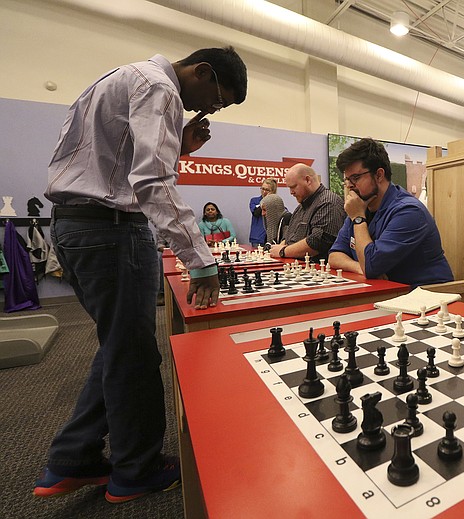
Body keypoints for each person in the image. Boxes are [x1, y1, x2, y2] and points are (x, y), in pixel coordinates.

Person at [37, 47, 247, 503]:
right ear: (202, 71)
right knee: (135, 357)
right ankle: (136, 469)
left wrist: (181, 145)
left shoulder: (121, 76)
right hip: (111, 233)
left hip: (75, 225)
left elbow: (117, 163)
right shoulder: (160, 87)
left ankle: (73, 458)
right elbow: (152, 182)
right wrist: (201, 260)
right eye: (218, 98)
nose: (211, 109)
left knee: (120, 345)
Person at [328, 138, 454, 287]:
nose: (349, 186)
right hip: (389, 293)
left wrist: (358, 219)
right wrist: (359, 267)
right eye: (347, 179)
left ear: (379, 175)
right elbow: (334, 256)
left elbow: (371, 266)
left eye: (355, 178)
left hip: (428, 298)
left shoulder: (409, 211)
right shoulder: (360, 207)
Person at [269, 163, 345, 261]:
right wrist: (280, 247)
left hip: (317, 271)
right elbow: (290, 236)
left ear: (308, 180)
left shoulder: (328, 202)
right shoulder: (301, 207)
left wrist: (283, 251)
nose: (291, 192)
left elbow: (317, 243)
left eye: (293, 187)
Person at [248, 179, 275, 246]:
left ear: (272, 191)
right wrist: (265, 200)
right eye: (262, 189)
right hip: (257, 238)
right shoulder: (254, 200)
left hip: (271, 238)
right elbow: (256, 213)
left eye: (267, 190)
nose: (264, 192)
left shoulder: (276, 202)